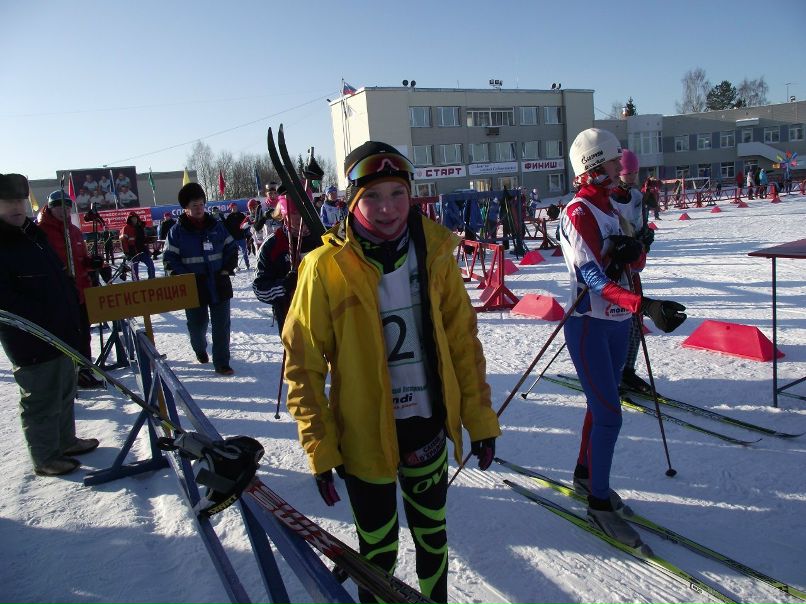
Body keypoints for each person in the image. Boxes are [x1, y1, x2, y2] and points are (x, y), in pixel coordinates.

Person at [282, 141, 501, 604]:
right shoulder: (323, 268)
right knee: (377, 555)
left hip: (425, 430)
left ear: (412, 194)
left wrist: (479, 420)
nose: (387, 209)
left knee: (432, 541)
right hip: (363, 440)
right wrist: (320, 446)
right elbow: (302, 364)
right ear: (351, 201)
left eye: (396, 194)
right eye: (372, 197)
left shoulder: (437, 252)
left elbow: (463, 343)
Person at [559, 128, 687, 549]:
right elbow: (591, 277)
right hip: (590, 325)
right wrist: (644, 306)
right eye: (615, 163)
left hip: (615, 322)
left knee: (602, 406)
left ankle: (584, 475)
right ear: (594, 166)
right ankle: (598, 503)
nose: (621, 169)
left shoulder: (612, 207)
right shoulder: (579, 212)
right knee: (610, 414)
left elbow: (633, 266)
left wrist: (637, 249)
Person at [0, 174, 99, 476]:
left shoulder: (31, 234)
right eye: (7, 202)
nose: (17, 207)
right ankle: (45, 457)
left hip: (59, 331)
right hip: (30, 338)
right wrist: (45, 318)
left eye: (19, 200)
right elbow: (7, 300)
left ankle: (65, 441)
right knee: (41, 398)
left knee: (64, 390)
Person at [163, 183, 238, 376]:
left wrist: (226, 268)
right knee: (197, 326)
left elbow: (231, 248)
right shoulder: (177, 232)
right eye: (194, 205)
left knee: (222, 325)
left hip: (219, 283)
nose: (199, 209)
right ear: (186, 208)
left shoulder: (217, 226)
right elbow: (169, 259)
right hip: (193, 286)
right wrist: (185, 277)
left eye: (201, 204)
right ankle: (199, 348)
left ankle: (222, 362)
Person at [39, 189, 104, 389]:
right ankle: (66, 374)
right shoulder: (41, 231)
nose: (63, 210)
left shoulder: (74, 231)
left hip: (81, 292)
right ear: (50, 208)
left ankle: (83, 371)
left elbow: (80, 260)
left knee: (84, 333)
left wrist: (91, 263)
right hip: (57, 296)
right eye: (58, 206)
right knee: (64, 337)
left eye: (67, 206)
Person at [611, 150, 654, 394]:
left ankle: (627, 370)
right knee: (615, 322)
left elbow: (640, 227)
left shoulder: (637, 196)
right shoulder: (608, 198)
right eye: (628, 174)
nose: (631, 178)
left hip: (633, 268)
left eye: (634, 173)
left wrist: (646, 239)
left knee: (636, 321)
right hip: (613, 271)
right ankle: (612, 371)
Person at [252, 195, 319, 333]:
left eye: (305, 210)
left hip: (328, 321)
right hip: (294, 326)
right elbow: (259, 289)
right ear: (284, 215)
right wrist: (283, 286)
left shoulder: (325, 237)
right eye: (295, 213)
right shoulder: (272, 245)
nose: (302, 217)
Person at [120, 212, 156, 280]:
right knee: (134, 270)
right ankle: (136, 284)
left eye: (135, 218)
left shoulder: (140, 227)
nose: (134, 220)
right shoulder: (126, 228)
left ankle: (152, 280)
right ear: (129, 219)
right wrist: (127, 253)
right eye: (132, 218)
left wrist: (149, 240)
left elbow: (143, 240)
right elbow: (123, 241)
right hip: (132, 253)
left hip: (142, 251)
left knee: (151, 265)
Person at [223, 202, 251, 270]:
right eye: (233, 207)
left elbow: (246, 224)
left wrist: (247, 233)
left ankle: (247, 264)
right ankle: (236, 266)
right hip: (233, 238)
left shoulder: (241, 215)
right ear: (231, 208)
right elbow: (226, 227)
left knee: (244, 252)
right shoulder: (229, 217)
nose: (234, 208)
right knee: (234, 254)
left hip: (241, 237)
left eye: (235, 207)